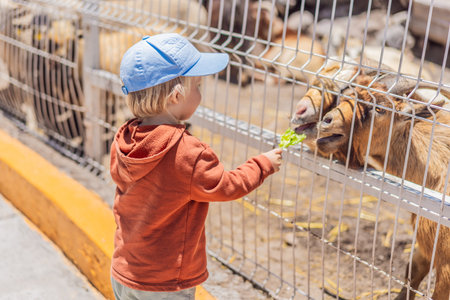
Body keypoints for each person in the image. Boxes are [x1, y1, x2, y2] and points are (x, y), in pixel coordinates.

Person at [110, 33, 283, 300]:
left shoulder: (125, 140)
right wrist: (262, 164)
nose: (201, 93)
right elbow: (227, 186)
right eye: (198, 86)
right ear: (176, 96)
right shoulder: (187, 152)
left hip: (125, 271)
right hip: (165, 281)